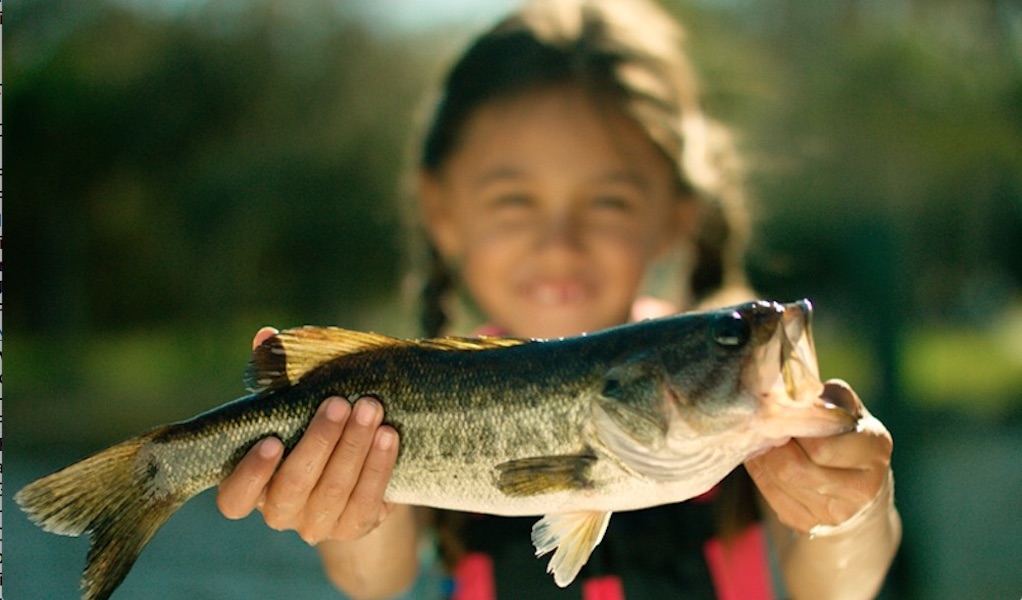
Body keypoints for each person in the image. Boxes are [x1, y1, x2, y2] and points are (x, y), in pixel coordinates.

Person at [216, 0, 901, 598]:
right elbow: (376, 578)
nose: (559, 240)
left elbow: (839, 586)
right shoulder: (409, 397)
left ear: (675, 213)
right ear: (442, 211)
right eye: (513, 200)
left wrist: (846, 507)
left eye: (608, 200)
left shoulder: (741, 423)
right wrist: (338, 502)